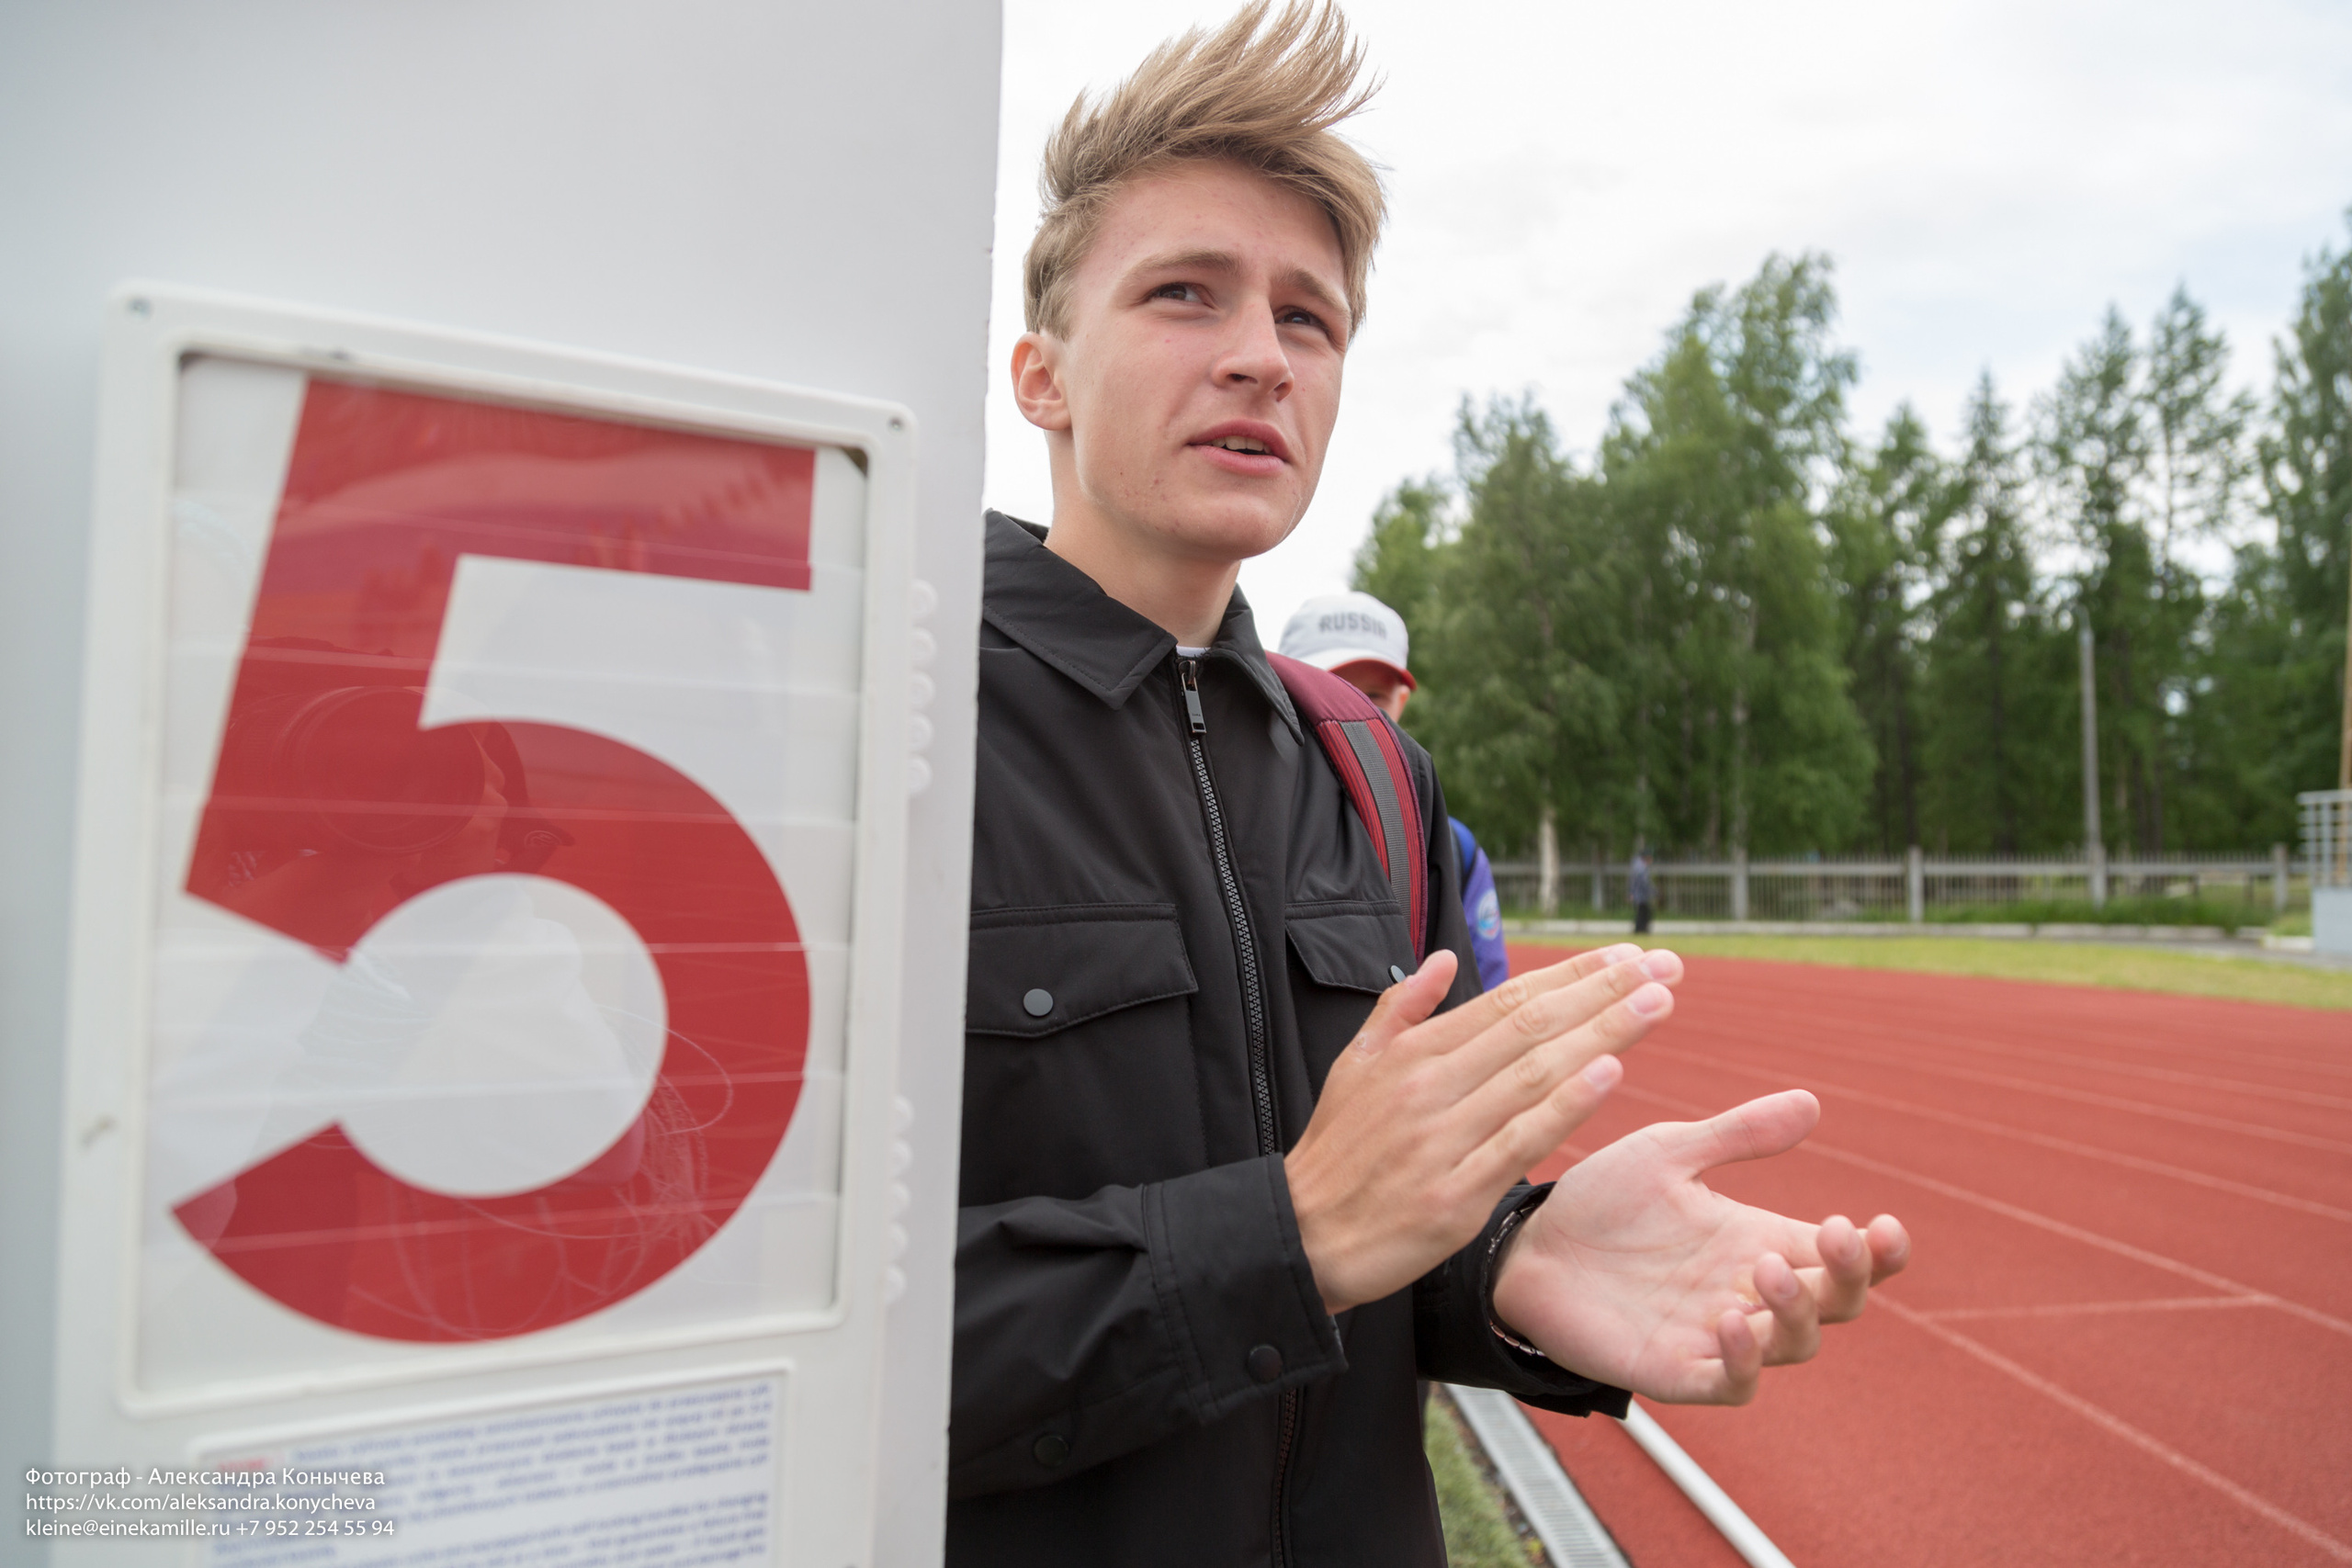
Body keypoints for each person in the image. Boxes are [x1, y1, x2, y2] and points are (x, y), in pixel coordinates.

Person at [952, 6, 1909, 1563]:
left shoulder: (1375, 779)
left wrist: (1512, 1259)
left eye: (1308, 318)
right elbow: (791, 1340)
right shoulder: (895, 739)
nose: (1258, 352)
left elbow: (1372, 1248)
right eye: (1184, 293)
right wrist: (1296, 1232)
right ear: (1041, 374)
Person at [1279, 590, 1510, 991]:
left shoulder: (1453, 847)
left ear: (1402, 701)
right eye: (1330, 689)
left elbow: (1482, 997)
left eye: (1374, 697)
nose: (1354, 712)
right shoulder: (1247, 828)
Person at [1631, 849, 1655, 935]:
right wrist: (1653, 891)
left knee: (1641, 913)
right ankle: (1641, 930)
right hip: (1641, 895)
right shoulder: (1642, 867)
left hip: (1639, 895)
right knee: (1643, 914)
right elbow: (1644, 882)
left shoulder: (1637, 866)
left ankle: (1640, 930)